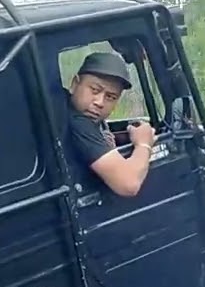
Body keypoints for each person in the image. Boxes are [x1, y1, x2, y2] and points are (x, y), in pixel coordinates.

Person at [63, 51, 156, 198]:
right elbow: (128, 184)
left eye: (110, 97)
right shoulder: (77, 122)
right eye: (94, 90)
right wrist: (144, 144)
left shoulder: (66, 108)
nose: (100, 102)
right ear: (75, 83)